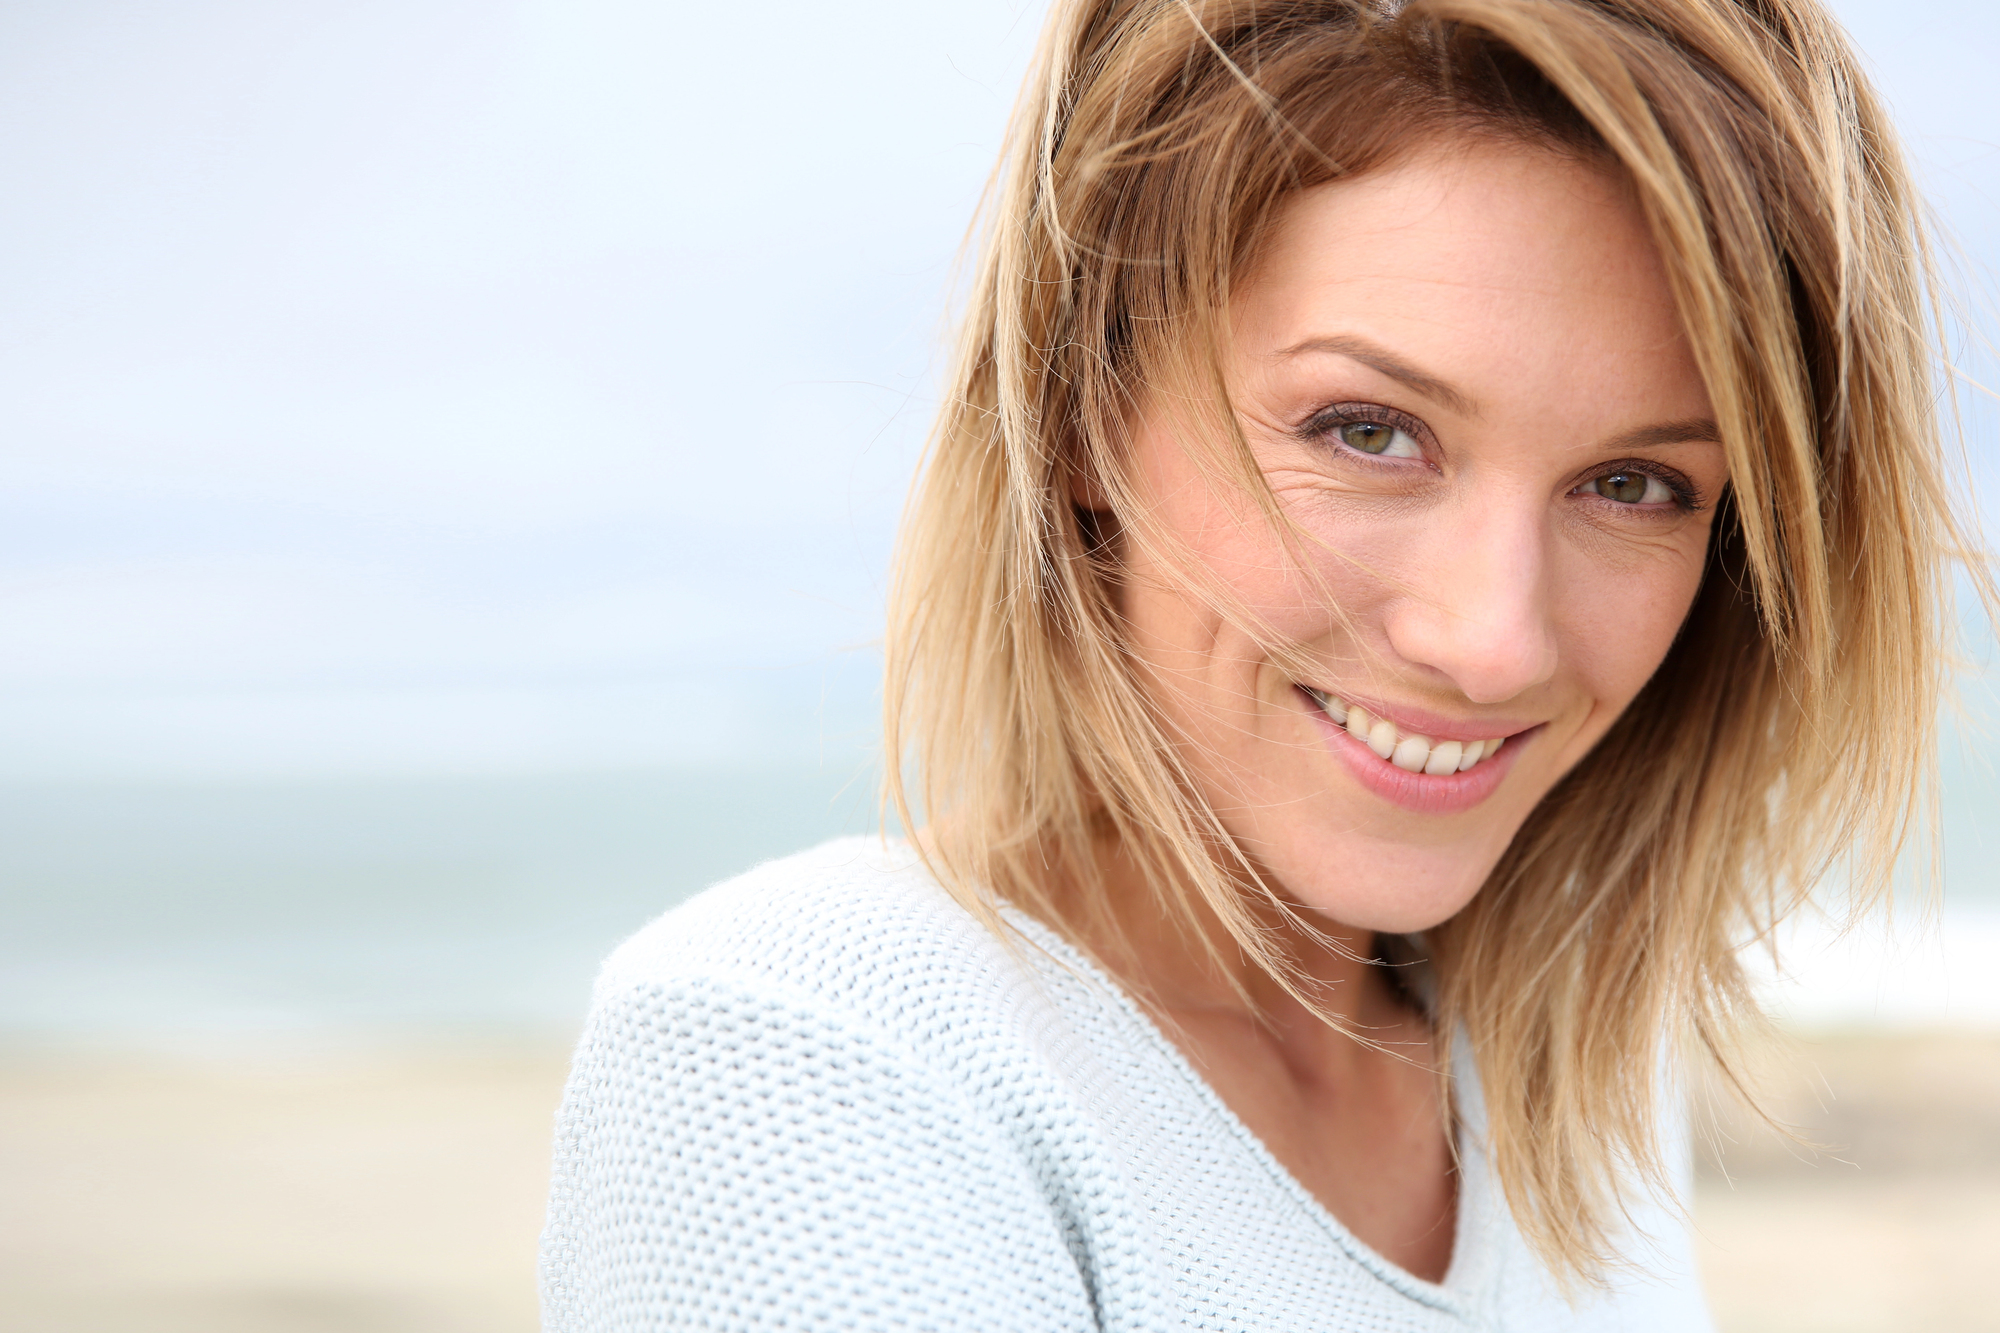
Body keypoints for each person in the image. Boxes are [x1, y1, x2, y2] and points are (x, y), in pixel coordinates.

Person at [540, 1, 1982, 1327]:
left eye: (1635, 486)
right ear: (1084, 408)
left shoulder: (1571, 1072)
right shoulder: (808, 1048)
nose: (1492, 642)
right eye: (1367, 431)